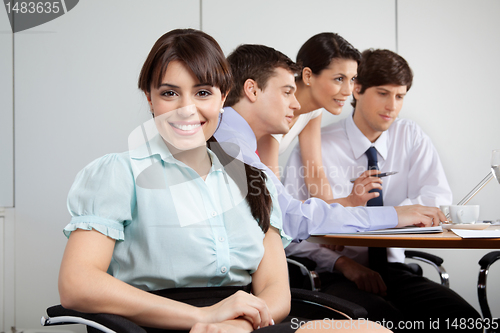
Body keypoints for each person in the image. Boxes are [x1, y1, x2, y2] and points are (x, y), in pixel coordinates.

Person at [57, 28, 389, 333]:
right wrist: (203, 317)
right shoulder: (119, 173)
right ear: (150, 99)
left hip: (248, 324)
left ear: (222, 96)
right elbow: (77, 283)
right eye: (170, 93)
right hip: (163, 325)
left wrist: (238, 324)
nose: (187, 110)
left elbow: (275, 290)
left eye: (202, 92)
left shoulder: (254, 179)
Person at [282, 49, 481, 332]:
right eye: (383, 94)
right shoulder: (317, 145)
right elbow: (290, 229)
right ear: (358, 89)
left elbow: (437, 198)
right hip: (336, 274)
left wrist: (396, 215)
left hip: (394, 271)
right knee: (387, 323)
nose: (392, 106)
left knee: (466, 322)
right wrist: (342, 263)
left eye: (400, 97)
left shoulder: (409, 136)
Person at [214, 43, 446, 244]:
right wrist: (393, 215)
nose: (296, 105)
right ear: (252, 90)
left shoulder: (236, 139)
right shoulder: (231, 146)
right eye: (286, 92)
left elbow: (295, 207)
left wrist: (345, 210)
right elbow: (292, 216)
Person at [258, 32, 374, 205]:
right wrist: (348, 203)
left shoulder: (313, 110)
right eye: (339, 79)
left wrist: (333, 213)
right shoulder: (276, 107)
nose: (348, 91)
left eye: (352, 79)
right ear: (308, 76)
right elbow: (274, 197)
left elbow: (315, 173)